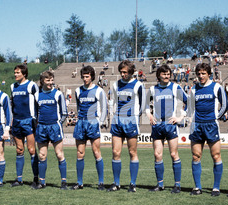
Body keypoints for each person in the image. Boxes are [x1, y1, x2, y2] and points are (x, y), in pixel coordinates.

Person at [145, 64, 188, 193]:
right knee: (157, 154)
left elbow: (189, 102)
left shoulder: (175, 87)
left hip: (170, 125)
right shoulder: (152, 89)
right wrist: (149, 115)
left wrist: (180, 118)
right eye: (164, 74)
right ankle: (160, 184)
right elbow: (146, 105)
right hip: (157, 125)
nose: (166, 76)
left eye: (168, 74)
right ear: (159, 75)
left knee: (174, 154)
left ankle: (177, 184)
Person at [187, 63, 228, 196]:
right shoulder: (193, 89)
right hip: (197, 125)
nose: (201, 76)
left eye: (203, 73)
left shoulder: (216, 87)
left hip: (211, 125)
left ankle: (216, 187)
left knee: (216, 156)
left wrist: (215, 117)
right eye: (198, 74)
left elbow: (225, 105)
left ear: (209, 74)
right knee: (196, 156)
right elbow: (190, 108)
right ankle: (197, 187)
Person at [107, 60, 146, 192]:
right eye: (121, 72)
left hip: (131, 122)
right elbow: (112, 102)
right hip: (117, 122)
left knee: (132, 152)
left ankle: (132, 183)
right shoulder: (115, 85)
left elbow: (142, 105)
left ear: (131, 72)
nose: (123, 74)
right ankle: (116, 183)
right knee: (115, 152)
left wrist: (135, 117)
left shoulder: (138, 85)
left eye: (125, 72)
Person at [71, 66, 108, 191]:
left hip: (93, 123)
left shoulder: (99, 90)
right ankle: (79, 182)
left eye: (87, 76)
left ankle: (101, 182)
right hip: (81, 123)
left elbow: (104, 108)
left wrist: (100, 122)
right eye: (83, 76)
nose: (85, 78)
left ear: (92, 76)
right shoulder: (77, 91)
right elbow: (78, 106)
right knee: (80, 153)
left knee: (96, 152)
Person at [33, 70, 68, 189]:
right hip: (42, 127)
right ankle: (42, 182)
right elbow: (34, 114)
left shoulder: (58, 94)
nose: (50, 82)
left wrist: (57, 124)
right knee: (42, 155)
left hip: (54, 127)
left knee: (59, 154)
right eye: (48, 80)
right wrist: (38, 124)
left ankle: (63, 182)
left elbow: (64, 113)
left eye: (52, 80)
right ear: (42, 81)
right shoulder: (37, 95)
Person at [10, 64, 39, 187]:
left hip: (29, 120)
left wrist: (36, 119)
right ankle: (19, 179)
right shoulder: (12, 87)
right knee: (19, 150)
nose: (15, 75)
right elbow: (12, 105)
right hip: (17, 121)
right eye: (15, 73)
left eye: (18, 73)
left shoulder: (32, 85)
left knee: (32, 150)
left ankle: (36, 178)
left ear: (24, 74)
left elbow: (38, 103)